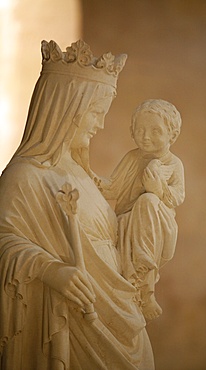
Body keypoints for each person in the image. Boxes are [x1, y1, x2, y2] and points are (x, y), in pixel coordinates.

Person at [0, 40, 155, 370]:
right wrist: (50, 270)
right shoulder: (24, 177)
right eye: (95, 114)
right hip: (73, 319)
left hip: (118, 309)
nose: (100, 125)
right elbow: (4, 245)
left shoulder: (84, 175)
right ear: (65, 111)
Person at [90, 99, 185, 322]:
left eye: (155, 131)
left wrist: (158, 189)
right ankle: (132, 285)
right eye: (140, 130)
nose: (146, 136)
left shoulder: (173, 164)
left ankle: (147, 289)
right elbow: (112, 187)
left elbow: (178, 197)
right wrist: (86, 174)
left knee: (148, 201)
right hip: (126, 223)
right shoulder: (132, 158)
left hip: (158, 228)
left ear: (172, 134)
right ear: (132, 132)